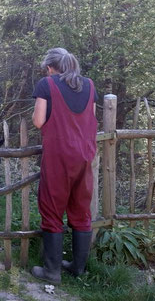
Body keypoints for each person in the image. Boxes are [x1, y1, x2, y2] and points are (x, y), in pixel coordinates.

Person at [30, 48, 99, 284]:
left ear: (50, 67)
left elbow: (39, 122)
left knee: (51, 208)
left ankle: (52, 272)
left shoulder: (46, 84)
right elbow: (90, 120)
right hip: (84, 155)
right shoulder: (89, 85)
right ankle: (78, 267)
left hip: (59, 155)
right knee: (81, 209)